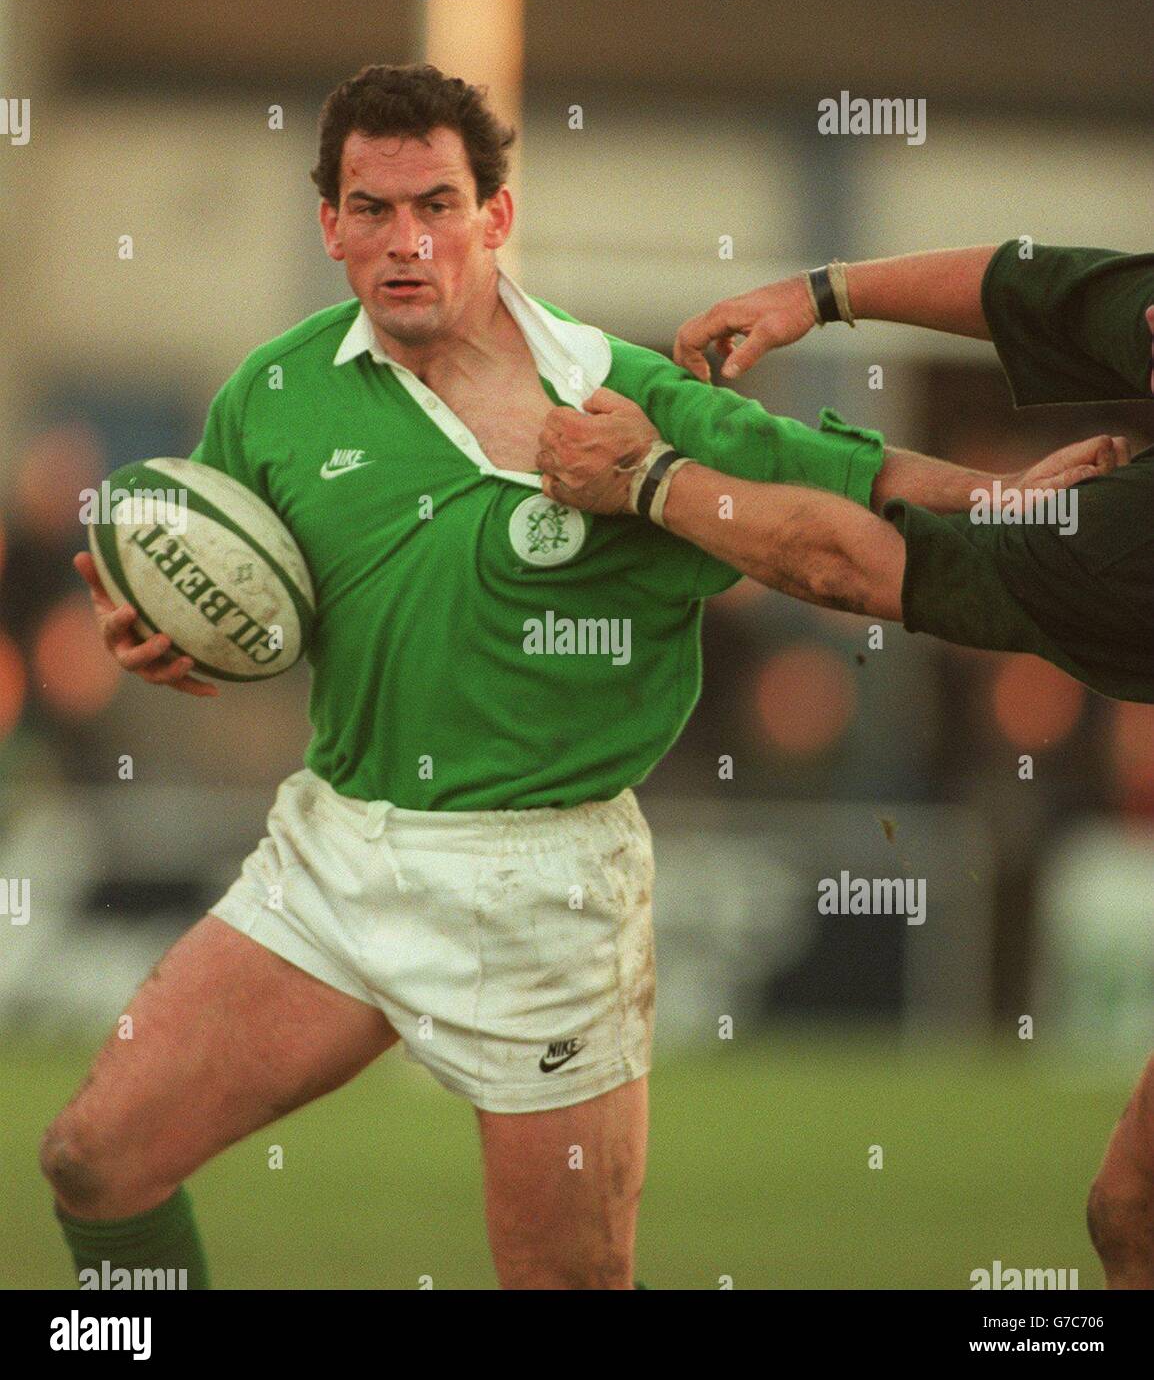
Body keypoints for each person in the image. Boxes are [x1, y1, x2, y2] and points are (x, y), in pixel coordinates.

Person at [45, 63, 1003, 1293]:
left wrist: (1023, 500)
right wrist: (156, 628)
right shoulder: (272, 393)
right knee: (92, 1160)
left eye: (436, 205)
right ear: (328, 225)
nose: (406, 242)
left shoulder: (622, 397)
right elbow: (231, 581)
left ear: (495, 218)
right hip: (336, 852)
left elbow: (852, 482)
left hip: (544, 889)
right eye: (372, 209)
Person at [535, 242, 1154, 1285]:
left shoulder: (1125, 546)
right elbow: (1018, 283)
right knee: (1131, 1210)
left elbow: (850, 563)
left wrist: (650, 480)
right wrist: (816, 294)